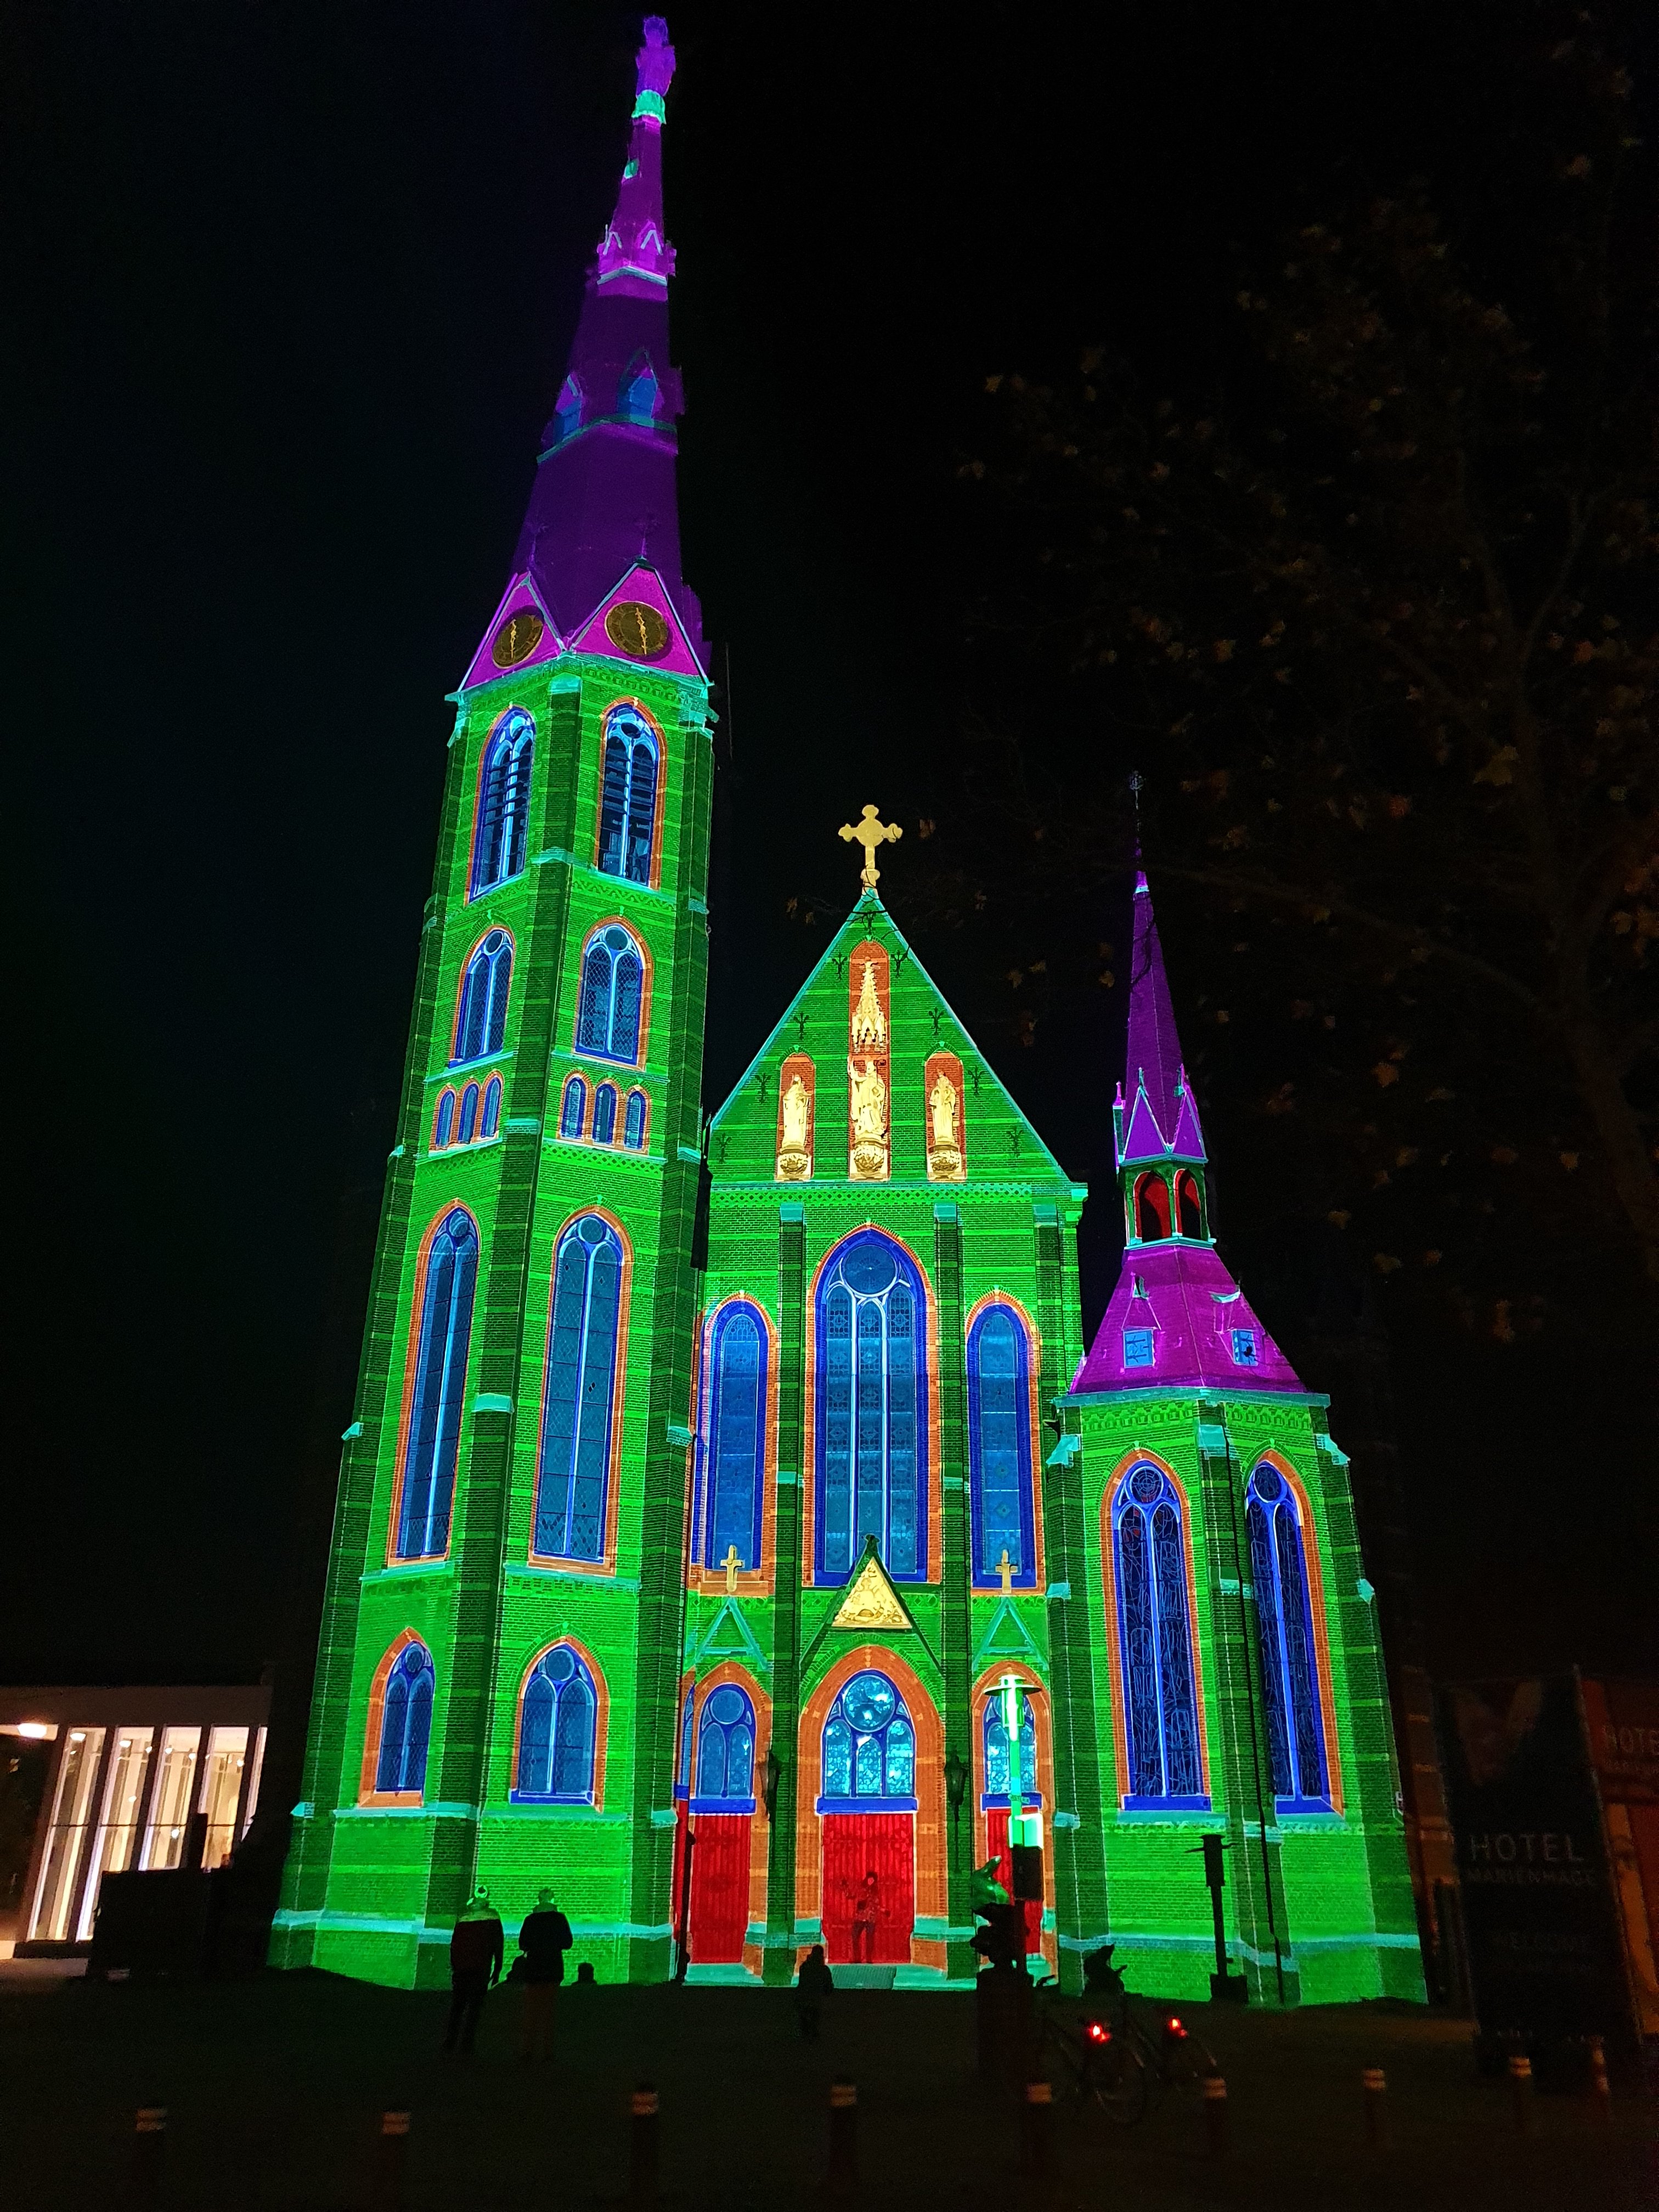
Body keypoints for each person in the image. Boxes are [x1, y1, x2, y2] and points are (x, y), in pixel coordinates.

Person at [515, 1887, 574, 2062]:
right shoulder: (560, 1919)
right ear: (553, 1900)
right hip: (553, 1968)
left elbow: (523, 1944)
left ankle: (527, 2049)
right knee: (549, 2012)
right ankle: (547, 2051)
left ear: (539, 1900)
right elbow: (567, 1943)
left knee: (530, 2012)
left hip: (533, 1969)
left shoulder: (530, 1919)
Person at [444, 1888, 504, 2055]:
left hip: (462, 1968)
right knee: (474, 2008)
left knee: (457, 2006)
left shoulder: (463, 1917)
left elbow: (454, 1944)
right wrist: (497, 1969)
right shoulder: (492, 1917)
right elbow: (498, 1945)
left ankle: (450, 2042)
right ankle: (466, 2044)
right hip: (481, 1968)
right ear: (487, 1899)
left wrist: (455, 1965)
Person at [794, 1943, 834, 2041]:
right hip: (816, 2000)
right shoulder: (824, 1970)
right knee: (814, 2023)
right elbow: (828, 1988)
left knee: (804, 2024)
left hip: (804, 1999)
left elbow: (802, 1983)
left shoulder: (805, 1967)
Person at [849, 1870, 880, 1964]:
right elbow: (851, 1895)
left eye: (873, 1880)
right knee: (855, 1936)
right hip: (860, 1916)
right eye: (870, 1879)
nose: (871, 1881)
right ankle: (857, 1958)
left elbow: (877, 1903)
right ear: (867, 1879)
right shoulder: (861, 1888)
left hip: (871, 1917)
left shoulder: (875, 1891)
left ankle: (869, 1959)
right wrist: (845, 1887)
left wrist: (882, 1910)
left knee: (870, 1939)